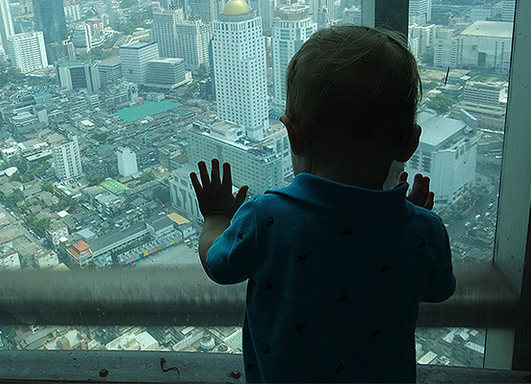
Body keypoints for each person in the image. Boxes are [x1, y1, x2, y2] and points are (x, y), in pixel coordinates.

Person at [191, 25, 455, 383]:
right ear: (409, 143)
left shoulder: (266, 218)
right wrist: (409, 220)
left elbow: (217, 265)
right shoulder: (425, 231)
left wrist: (216, 215)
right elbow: (437, 289)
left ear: (293, 134)